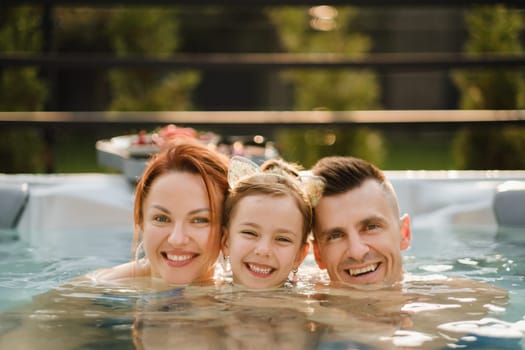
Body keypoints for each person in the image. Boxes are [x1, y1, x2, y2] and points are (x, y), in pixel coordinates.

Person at [89, 138, 229, 286]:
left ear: (226, 231)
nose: (176, 239)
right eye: (161, 219)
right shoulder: (100, 288)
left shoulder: (248, 287)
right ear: (141, 221)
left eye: (199, 220)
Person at [221, 156, 324, 289]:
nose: (263, 250)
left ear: (300, 256)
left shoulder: (313, 303)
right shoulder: (201, 297)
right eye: (250, 233)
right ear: (225, 242)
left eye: (282, 239)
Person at [310, 155, 411, 288]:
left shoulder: (438, 301)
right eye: (335, 236)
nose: (357, 252)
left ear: (404, 234)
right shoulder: (293, 302)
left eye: (371, 227)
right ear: (318, 254)